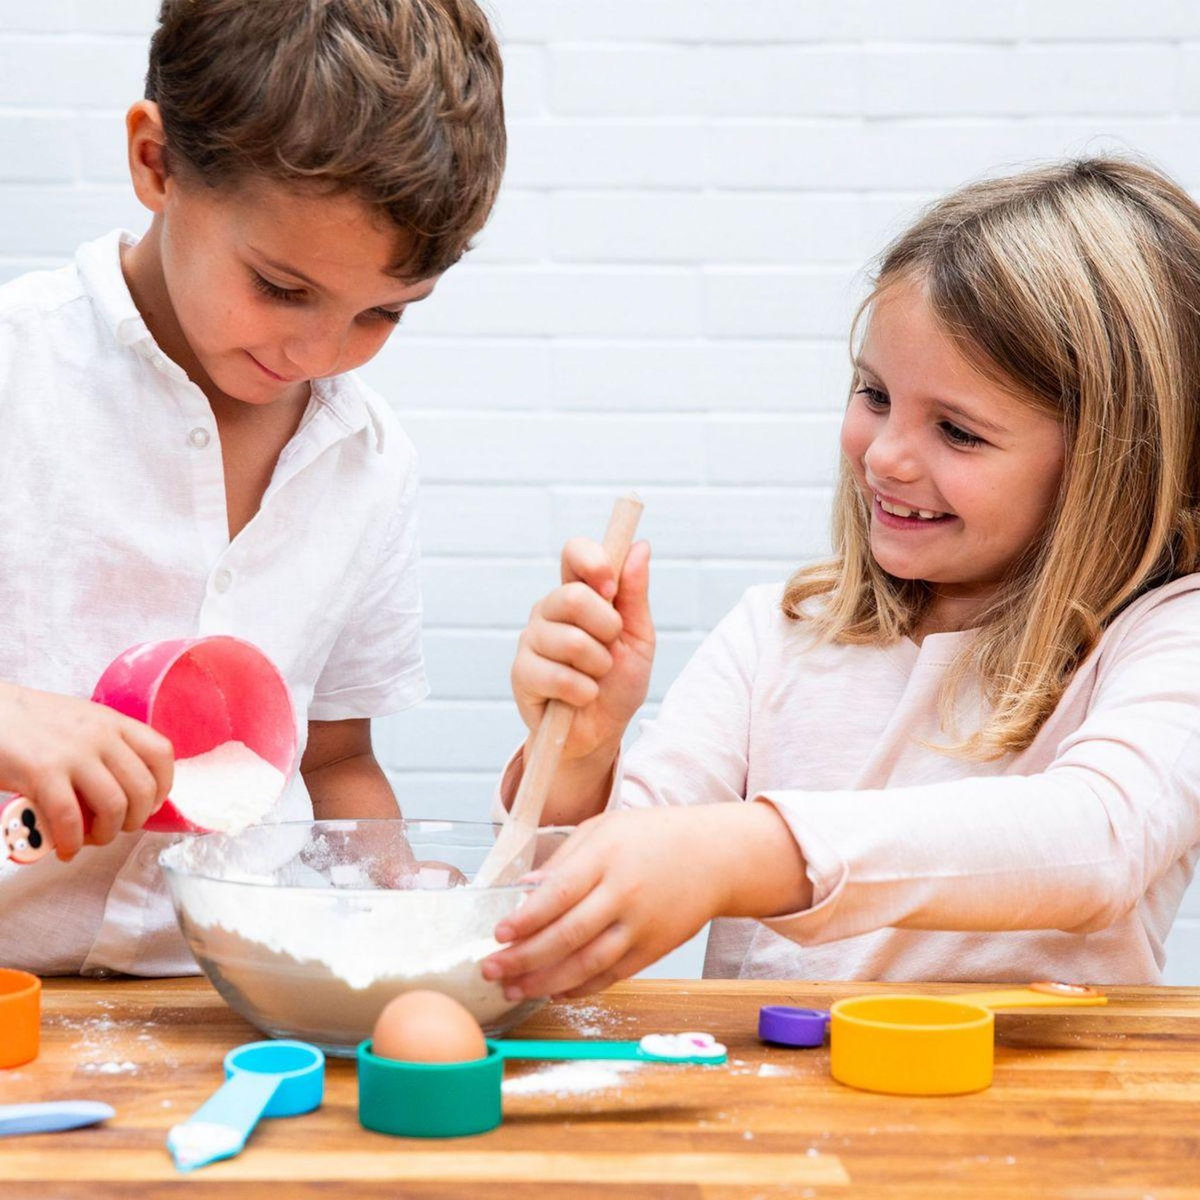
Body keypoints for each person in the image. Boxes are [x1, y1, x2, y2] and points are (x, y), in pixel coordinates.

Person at [484, 157, 1200, 1001]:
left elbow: (1099, 838)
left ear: (1113, 467)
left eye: (958, 432)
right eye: (874, 394)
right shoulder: (778, 635)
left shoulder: (1167, 639)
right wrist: (580, 758)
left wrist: (742, 852)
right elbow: (554, 905)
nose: (886, 456)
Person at [0, 0, 505, 975]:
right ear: (157, 163)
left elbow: (335, 757)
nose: (319, 353)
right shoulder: (16, 371)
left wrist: (391, 894)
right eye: (281, 288)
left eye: (383, 314)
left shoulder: (369, 461)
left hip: (225, 1002)